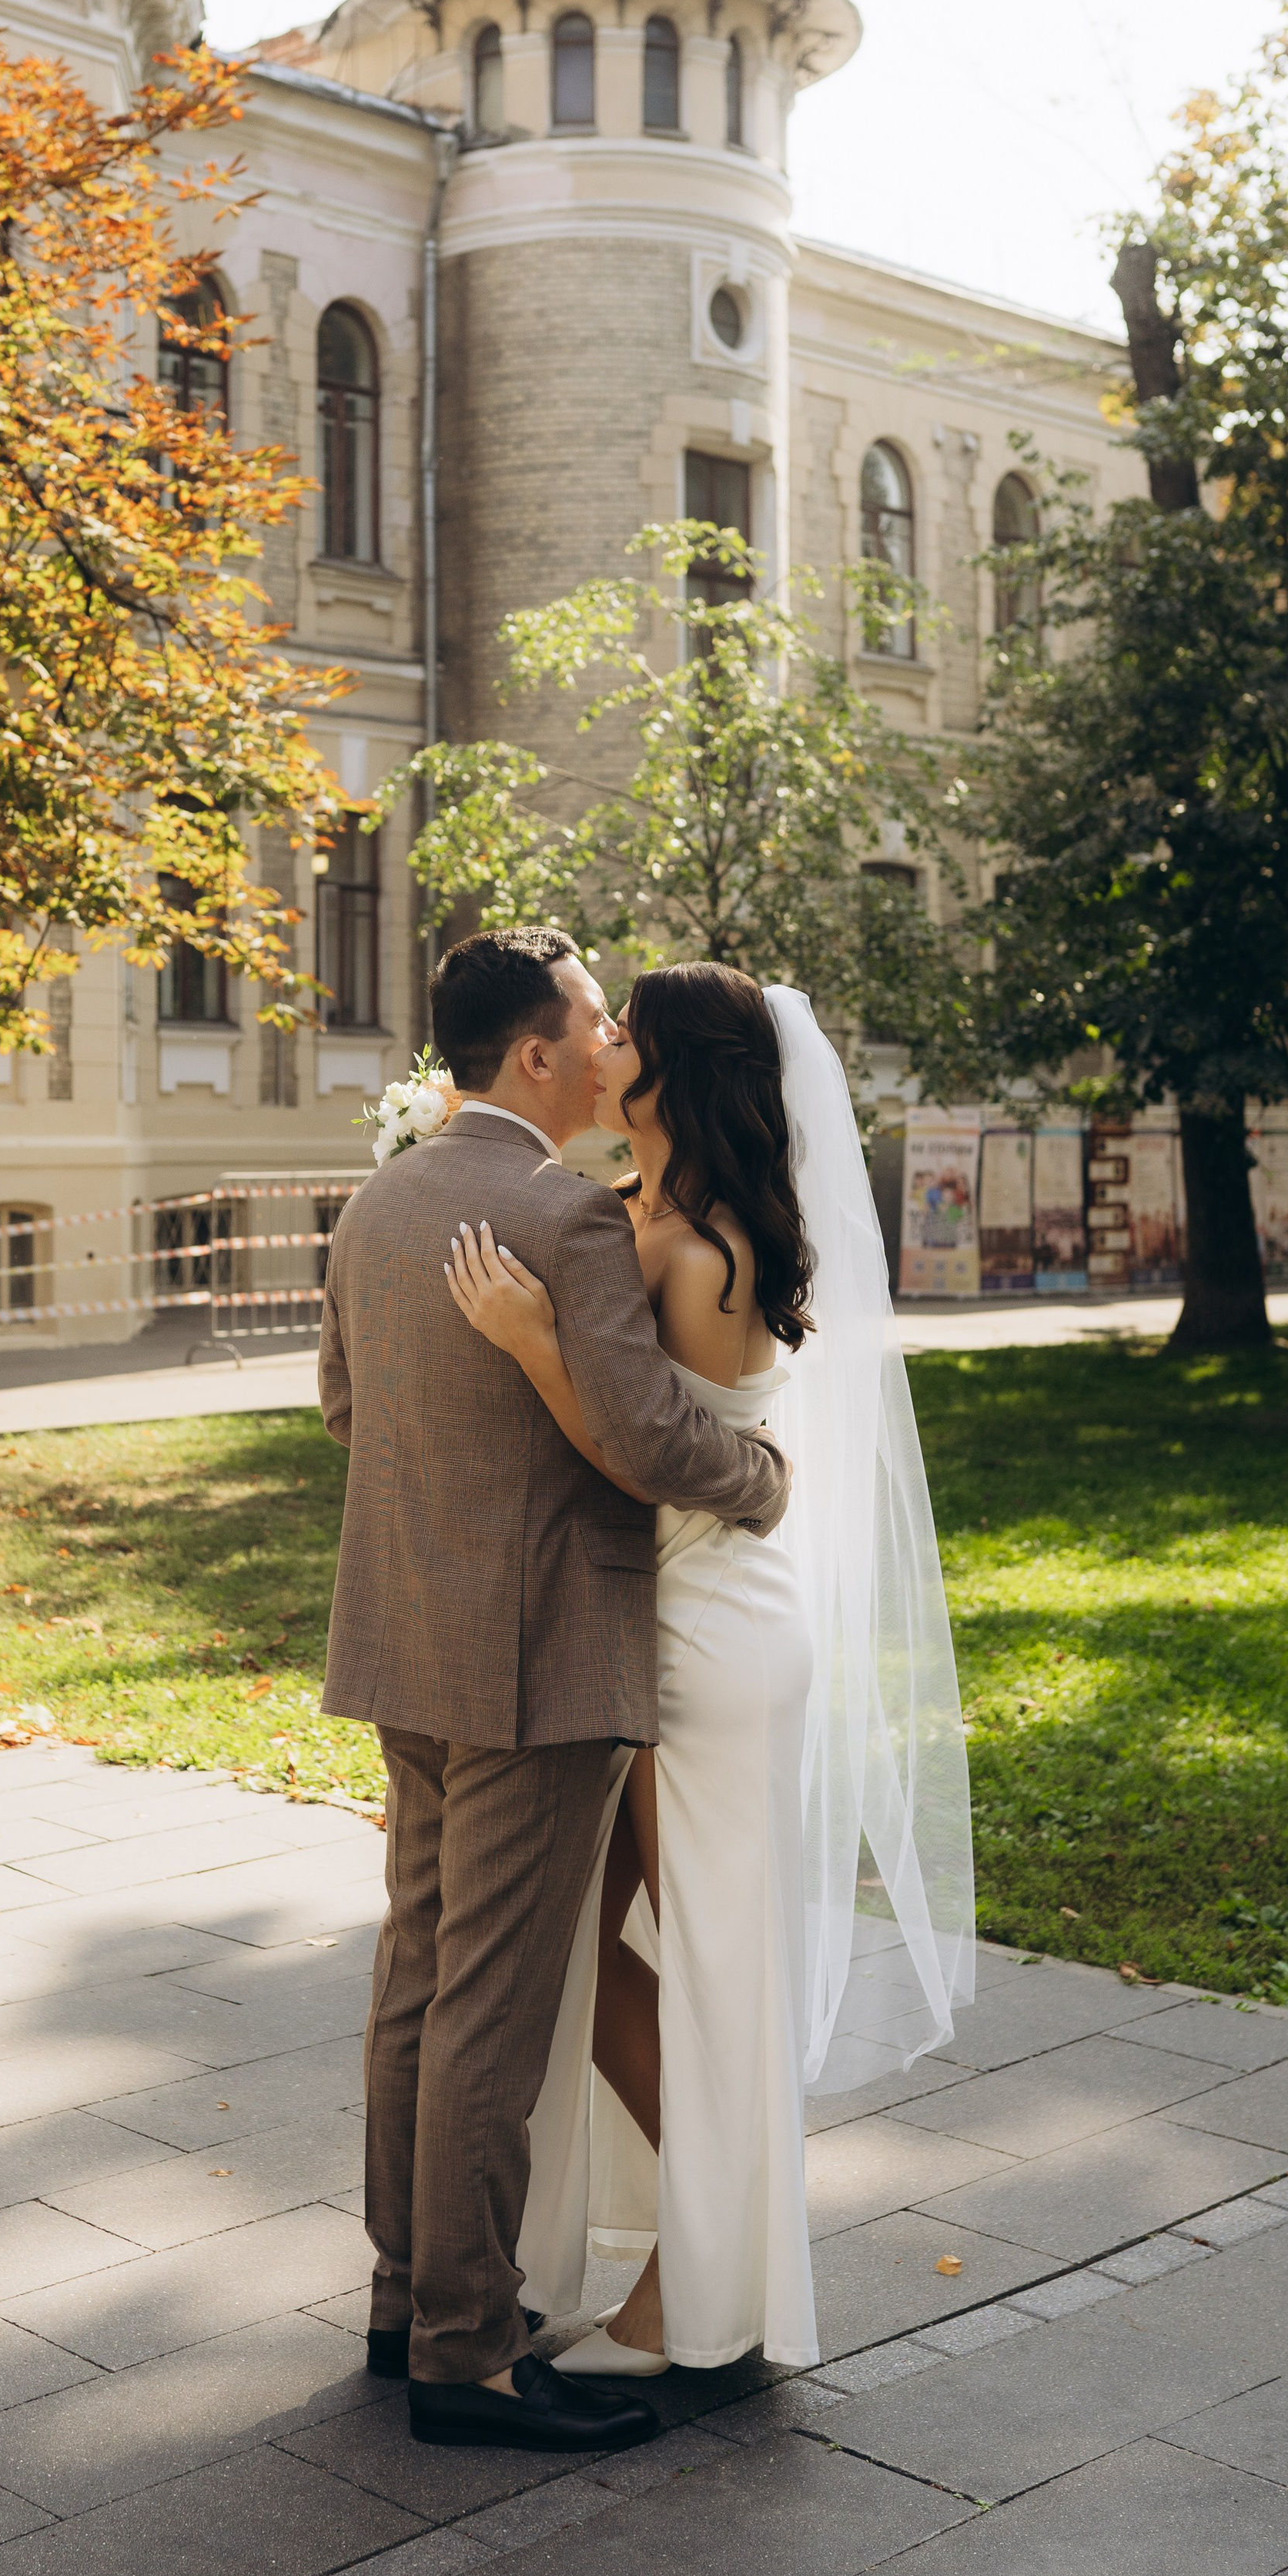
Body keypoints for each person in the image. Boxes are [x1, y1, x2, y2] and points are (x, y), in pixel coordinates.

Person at [446, 965, 974, 2375]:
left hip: (714, 1639)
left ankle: (699, 2292)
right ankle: (698, 2230)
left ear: (674, 1074)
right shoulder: (642, 1214)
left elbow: (637, 1444)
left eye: (624, 1033)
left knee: (709, 1971)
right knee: (584, 1950)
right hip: (648, 1623)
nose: (600, 1045)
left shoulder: (707, 1247)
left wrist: (529, 1338)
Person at [318, 928, 793, 2454]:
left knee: (416, 1973)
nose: (607, 1042)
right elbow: (652, 1440)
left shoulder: (375, 1199)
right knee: (492, 2008)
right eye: (590, 1018)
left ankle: (403, 2300)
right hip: (536, 1662)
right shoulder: (563, 1219)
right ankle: (465, 2353)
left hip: (402, 1640)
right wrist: (765, 1482)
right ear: (533, 1053)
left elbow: (347, 1408)